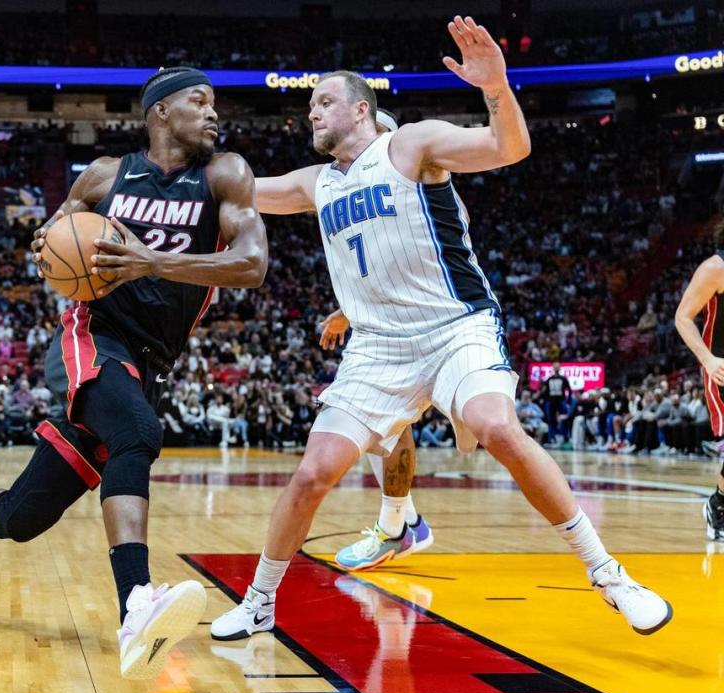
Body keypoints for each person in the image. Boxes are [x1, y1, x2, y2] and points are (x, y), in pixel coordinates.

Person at [211, 16, 671, 643]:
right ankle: (261, 601)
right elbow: (236, 194)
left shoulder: (412, 145)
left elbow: (508, 148)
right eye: (310, 106)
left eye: (323, 102)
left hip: (455, 326)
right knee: (314, 472)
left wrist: (496, 89)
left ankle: (609, 573)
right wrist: (163, 173)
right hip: (378, 347)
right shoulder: (314, 184)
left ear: (362, 110)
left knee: (495, 426)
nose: (310, 114)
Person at [0, 66, 268, 679]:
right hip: (94, 338)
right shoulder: (106, 176)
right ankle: (135, 605)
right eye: (200, 101)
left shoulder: (225, 175)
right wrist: (46, 246)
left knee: (21, 518)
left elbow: (251, 264)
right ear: (160, 112)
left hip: (150, 363)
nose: (214, 113)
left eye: (215, 103)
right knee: (137, 434)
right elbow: (54, 238)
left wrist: (151, 262)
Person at [315, 106, 435, 572]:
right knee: (380, 428)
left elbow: (410, 266)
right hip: (390, 331)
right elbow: (382, 271)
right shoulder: (353, 190)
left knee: (491, 428)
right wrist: (348, 311)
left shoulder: (411, 185)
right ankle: (401, 523)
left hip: (438, 327)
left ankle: (401, 524)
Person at [674, 250, 724, 540]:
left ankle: (719, 502)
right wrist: (707, 359)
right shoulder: (716, 267)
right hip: (720, 366)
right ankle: (717, 507)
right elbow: (682, 317)